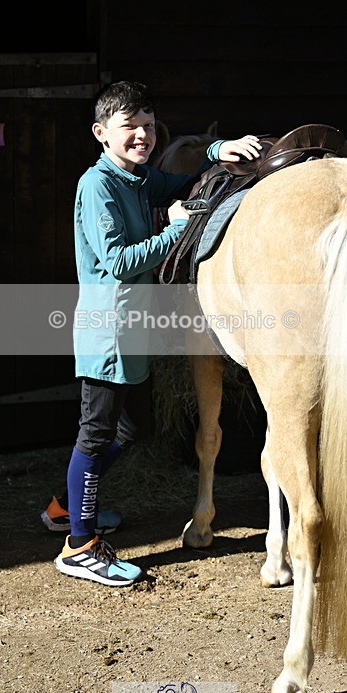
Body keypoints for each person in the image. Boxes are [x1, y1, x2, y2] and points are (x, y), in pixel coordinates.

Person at [51, 80, 262, 587]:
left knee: (127, 432)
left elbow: (177, 181)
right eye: (130, 127)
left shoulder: (138, 178)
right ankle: (79, 546)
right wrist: (172, 228)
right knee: (97, 433)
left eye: (147, 125)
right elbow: (120, 262)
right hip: (110, 330)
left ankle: (66, 510)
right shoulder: (98, 185)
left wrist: (217, 151)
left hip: (133, 327)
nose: (142, 136)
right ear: (102, 133)